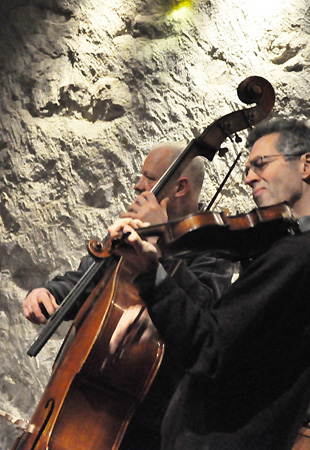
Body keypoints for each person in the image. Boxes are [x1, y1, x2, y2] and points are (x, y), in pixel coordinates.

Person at [107, 119, 310, 450]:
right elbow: (220, 326)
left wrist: (152, 274)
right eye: (248, 167)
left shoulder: (301, 255)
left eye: (261, 164)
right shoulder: (309, 249)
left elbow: (208, 349)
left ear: (306, 165)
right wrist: (165, 267)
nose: (249, 177)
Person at [23, 143, 235, 449]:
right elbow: (87, 280)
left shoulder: (212, 247)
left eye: (149, 178)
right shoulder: (131, 226)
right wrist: (49, 292)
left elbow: (201, 313)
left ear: (180, 187)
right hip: (82, 394)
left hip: (144, 417)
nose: (138, 185)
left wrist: (159, 240)